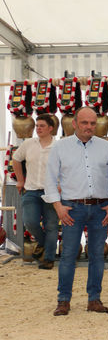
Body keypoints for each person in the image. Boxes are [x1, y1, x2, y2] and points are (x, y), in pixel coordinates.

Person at [44, 107, 108, 316]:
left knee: (97, 255)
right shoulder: (60, 148)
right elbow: (50, 179)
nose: (89, 127)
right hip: (71, 209)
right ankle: (63, 301)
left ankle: (94, 300)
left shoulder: (106, 148)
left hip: (101, 209)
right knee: (68, 255)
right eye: (85, 123)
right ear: (74, 124)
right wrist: (58, 206)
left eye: (93, 123)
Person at [12, 113, 58, 270]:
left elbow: (67, 168)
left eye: (42, 126)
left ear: (51, 128)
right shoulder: (28, 144)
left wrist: (61, 185)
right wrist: (20, 180)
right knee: (30, 222)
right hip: (31, 190)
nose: (38, 128)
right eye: (37, 126)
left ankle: (49, 259)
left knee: (51, 225)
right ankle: (44, 243)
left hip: (51, 192)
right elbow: (16, 159)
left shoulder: (58, 147)